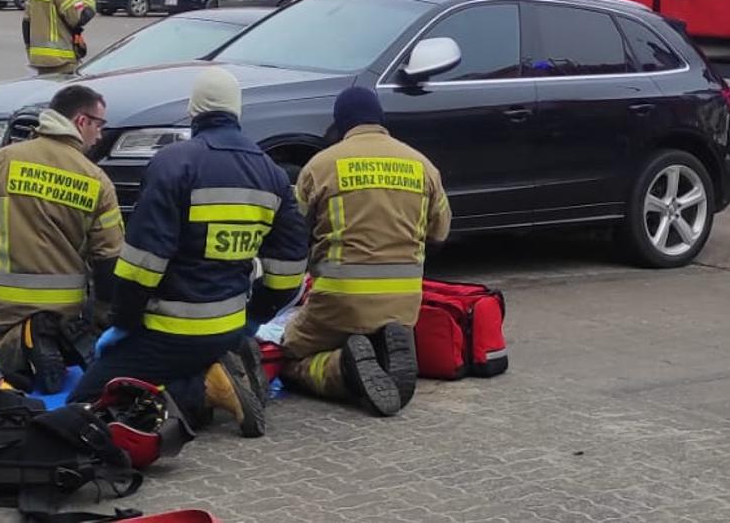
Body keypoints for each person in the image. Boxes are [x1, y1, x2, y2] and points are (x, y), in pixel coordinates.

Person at [71, 67, 309, 437]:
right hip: (231, 324)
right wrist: (253, 316)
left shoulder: (175, 162)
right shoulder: (271, 173)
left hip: (172, 328)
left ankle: (205, 385)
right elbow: (291, 269)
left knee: (87, 401)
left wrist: (123, 323)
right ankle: (212, 369)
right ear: (237, 112)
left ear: (193, 110)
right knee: (168, 372)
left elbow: (141, 266)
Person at [281, 87, 450, 416]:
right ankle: (379, 348)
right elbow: (440, 231)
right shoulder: (423, 166)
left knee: (289, 356)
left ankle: (343, 370)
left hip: (337, 302)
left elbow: (292, 234)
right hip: (403, 305)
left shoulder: (320, 166)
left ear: (340, 122)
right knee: (367, 334)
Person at [0, 85, 123, 387]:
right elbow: (108, 263)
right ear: (81, 122)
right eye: (99, 125)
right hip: (63, 313)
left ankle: (10, 347)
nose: (100, 135)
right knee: (66, 343)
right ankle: (34, 341)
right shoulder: (97, 181)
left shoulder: (0, 162)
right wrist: (99, 318)